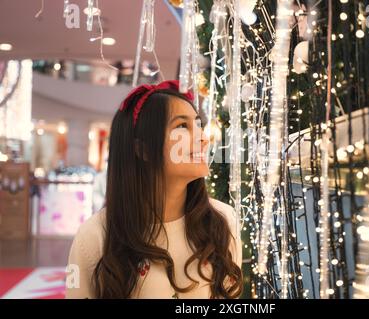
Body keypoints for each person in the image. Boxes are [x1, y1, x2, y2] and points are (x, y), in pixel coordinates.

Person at [66, 80, 243, 299]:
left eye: (198, 125)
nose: (204, 139)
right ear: (144, 149)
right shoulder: (96, 236)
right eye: (182, 126)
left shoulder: (223, 221)